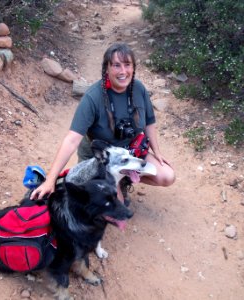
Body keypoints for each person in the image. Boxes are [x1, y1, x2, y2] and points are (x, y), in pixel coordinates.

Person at [31, 43, 175, 202]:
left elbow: (149, 122)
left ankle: (123, 178)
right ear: (107, 68)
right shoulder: (93, 97)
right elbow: (72, 140)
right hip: (100, 157)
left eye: (127, 65)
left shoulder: (138, 89)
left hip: (129, 151)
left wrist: (157, 152)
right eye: (116, 65)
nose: (123, 71)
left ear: (133, 68)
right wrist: (50, 179)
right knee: (115, 206)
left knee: (167, 176)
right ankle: (104, 183)